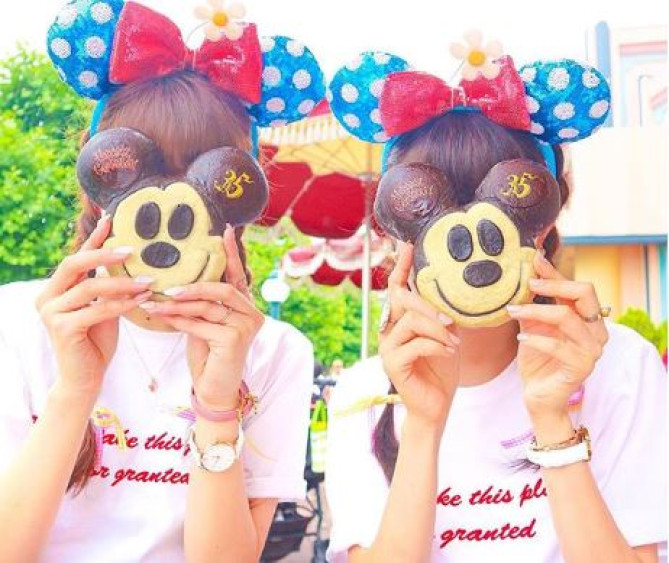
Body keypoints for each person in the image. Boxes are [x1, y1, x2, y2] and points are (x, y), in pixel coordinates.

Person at [0, 1, 324, 561]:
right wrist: (75, 389)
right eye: (136, 172)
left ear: (239, 198)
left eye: (206, 177)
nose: (173, 204)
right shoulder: (18, 324)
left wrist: (217, 406)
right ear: (96, 184)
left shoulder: (272, 352)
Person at [324, 42, 667, 562]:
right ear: (394, 231)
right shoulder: (365, 394)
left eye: (507, 205)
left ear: (544, 221)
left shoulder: (620, 366)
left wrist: (552, 418)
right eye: (425, 210)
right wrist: (423, 425)